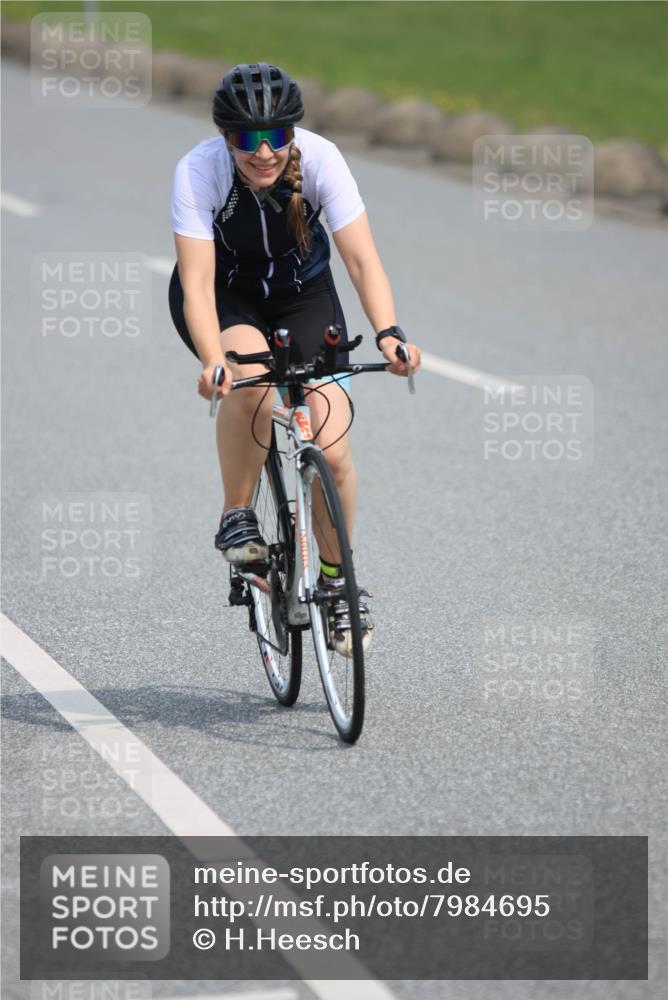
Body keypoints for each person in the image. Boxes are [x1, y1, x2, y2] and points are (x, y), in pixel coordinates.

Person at [169, 62, 421, 654]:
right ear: (224, 137)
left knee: (332, 454)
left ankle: (338, 585)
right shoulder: (198, 171)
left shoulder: (324, 159)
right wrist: (213, 359)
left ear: (292, 134)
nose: (263, 153)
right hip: (225, 298)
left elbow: (361, 260)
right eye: (246, 140)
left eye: (276, 137)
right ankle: (237, 515)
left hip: (303, 295)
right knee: (251, 381)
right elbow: (198, 283)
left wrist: (388, 333)